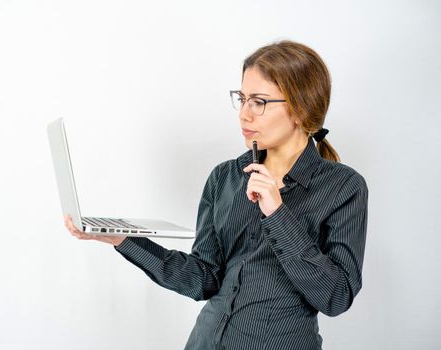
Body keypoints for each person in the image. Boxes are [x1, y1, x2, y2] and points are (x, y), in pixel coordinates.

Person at [64, 40, 369, 350]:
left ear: (301, 108)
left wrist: (277, 214)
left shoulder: (343, 187)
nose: (244, 115)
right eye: (242, 98)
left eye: (259, 102)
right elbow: (204, 279)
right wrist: (122, 239)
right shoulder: (224, 177)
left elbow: (336, 296)